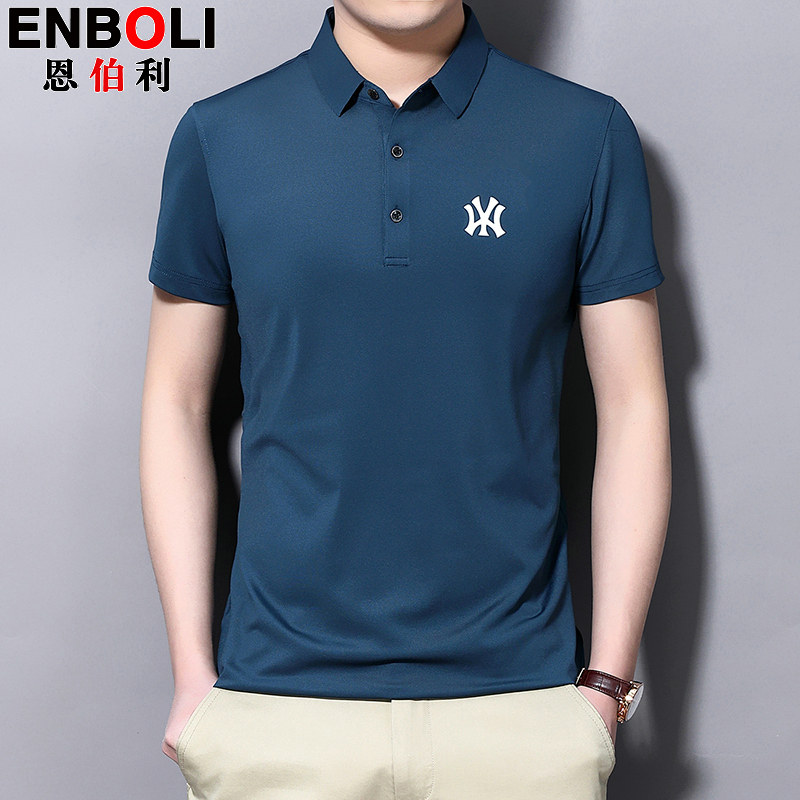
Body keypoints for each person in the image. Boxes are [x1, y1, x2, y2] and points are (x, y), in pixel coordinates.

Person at [139, 2, 671, 798]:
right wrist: (193, 677)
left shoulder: (584, 133)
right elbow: (175, 405)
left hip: (523, 713)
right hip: (276, 709)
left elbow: (634, 407)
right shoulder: (222, 136)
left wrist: (606, 684)